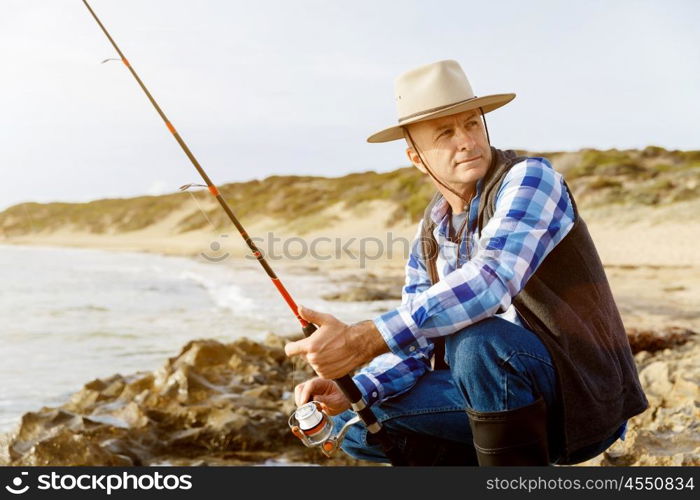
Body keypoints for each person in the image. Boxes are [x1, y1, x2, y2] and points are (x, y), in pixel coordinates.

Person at [285, 60, 648, 465]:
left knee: (477, 340)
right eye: (445, 133)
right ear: (416, 157)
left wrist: (365, 339)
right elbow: (417, 345)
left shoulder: (529, 179)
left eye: (472, 123)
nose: (467, 140)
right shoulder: (432, 230)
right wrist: (358, 387)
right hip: (499, 396)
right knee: (354, 426)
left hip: (580, 397)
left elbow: (491, 279)